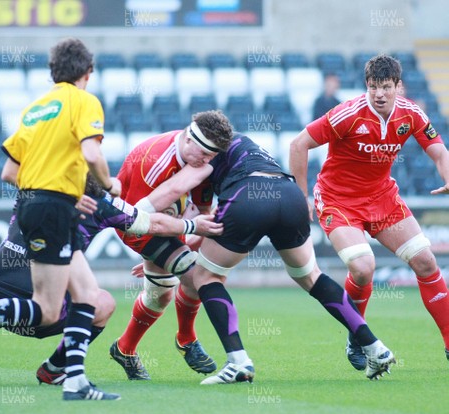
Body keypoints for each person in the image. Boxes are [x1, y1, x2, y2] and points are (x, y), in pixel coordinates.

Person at [0, 176, 223, 387]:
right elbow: (153, 225)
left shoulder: (34, 190)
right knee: (100, 302)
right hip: (41, 305)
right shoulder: (102, 203)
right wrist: (194, 226)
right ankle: (55, 370)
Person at [0, 38, 123, 401]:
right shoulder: (84, 101)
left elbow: (8, 171)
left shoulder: (36, 108)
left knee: (88, 295)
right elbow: (92, 151)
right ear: (87, 72)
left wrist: (59, 190)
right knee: (48, 310)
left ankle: (75, 380)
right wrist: (108, 185)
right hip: (52, 209)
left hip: (35, 203)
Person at [189, 133, 395, 384]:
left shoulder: (199, 152)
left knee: (206, 276)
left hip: (248, 194)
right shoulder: (241, 141)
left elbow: (193, 205)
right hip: (289, 193)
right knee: (310, 276)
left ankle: (238, 362)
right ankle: (375, 348)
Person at [289, 53, 449, 370]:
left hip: (381, 198)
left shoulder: (412, 114)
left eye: (386, 87)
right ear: (367, 85)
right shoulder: (347, 114)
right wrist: (301, 196)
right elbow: (298, 145)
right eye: (373, 86)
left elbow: (439, 151)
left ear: (397, 87)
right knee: (363, 267)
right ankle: (358, 337)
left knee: (426, 261)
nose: (379, 94)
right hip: (339, 199)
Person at [109, 110, 233, 380]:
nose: (207, 162)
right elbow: (137, 220)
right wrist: (161, 249)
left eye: (212, 157)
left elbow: (201, 210)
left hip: (168, 223)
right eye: (204, 154)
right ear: (189, 139)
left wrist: (178, 248)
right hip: (135, 224)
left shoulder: (199, 158)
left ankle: (124, 349)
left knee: (161, 295)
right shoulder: (153, 163)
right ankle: (187, 340)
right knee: (196, 275)